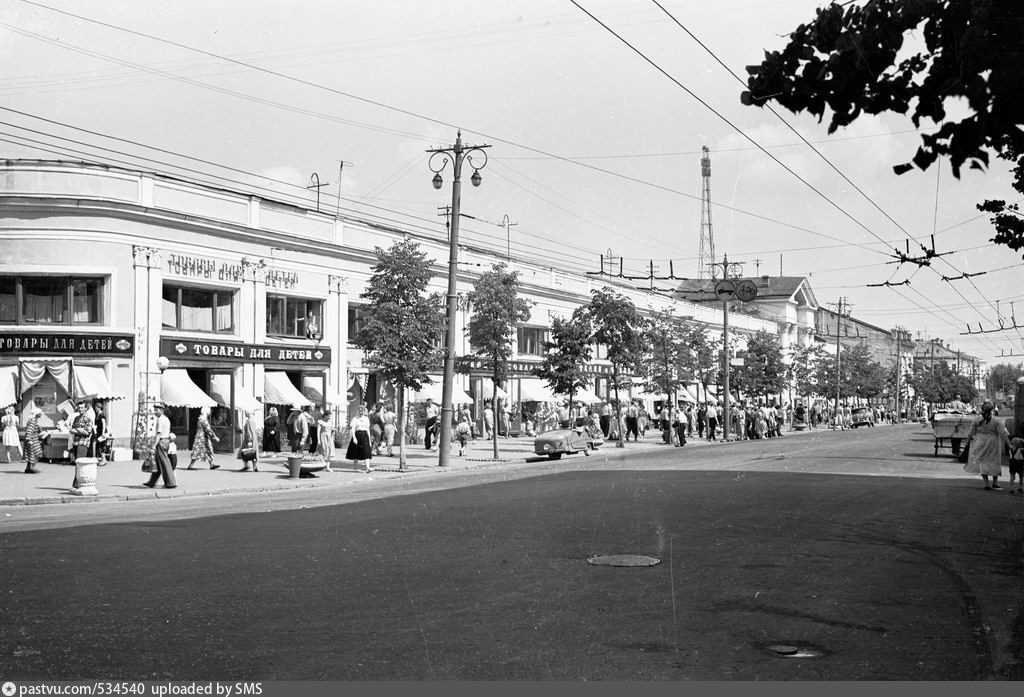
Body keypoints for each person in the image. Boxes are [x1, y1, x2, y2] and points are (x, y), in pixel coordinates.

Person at [963, 401, 1012, 490]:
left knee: (982, 462)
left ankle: (986, 483)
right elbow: (1003, 434)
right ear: (992, 410)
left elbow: (970, 434)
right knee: (994, 461)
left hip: (980, 441)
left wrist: (967, 444)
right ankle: (995, 482)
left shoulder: (977, 419)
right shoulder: (996, 420)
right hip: (994, 443)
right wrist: (1010, 445)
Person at [144, 402, 177, 489]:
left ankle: (170, 483)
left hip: (161, 441)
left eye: (157, 410)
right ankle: (152, 482)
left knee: (164, 462)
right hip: (166, 441)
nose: (155, 411)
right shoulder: (166, 419)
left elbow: (159, 434)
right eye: (154, 409)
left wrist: (154, 445)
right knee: (159, 463)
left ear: (162, 410)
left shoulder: (161, 420)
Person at [69, 400, 94, 489]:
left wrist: (77, 430)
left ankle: (77, 484)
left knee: (80, 463)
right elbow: (71, 430)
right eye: (79, 408)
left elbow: (87, 432)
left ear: (85, 408)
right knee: (76, 463)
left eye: (82, 408)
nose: (80, 409)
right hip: (76, 442)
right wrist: (80, 430)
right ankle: (77, 483)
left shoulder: (88, 419)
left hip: (83, 443)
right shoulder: (76, 418)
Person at [188, 405, 220, 470]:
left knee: (203, 450)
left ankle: (211, 464)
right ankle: (191, 465)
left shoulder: (200, 419)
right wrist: (215, 437)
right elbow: (208, 429)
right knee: (201, 450)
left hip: (200, 437)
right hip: (202, 438)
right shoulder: (203, 420)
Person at [345, 405, 373, 472]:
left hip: (365, 435)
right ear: (358, 411)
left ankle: (368, 467)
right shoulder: (355, 419)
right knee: (356, 451)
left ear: (364, 411)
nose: (361, 412)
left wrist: (369, 440)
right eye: (360, 410)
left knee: (366, 451)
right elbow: (353, 429)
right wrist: (354, 438)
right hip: (357, 435)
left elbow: (367, 429)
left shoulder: (366, 419)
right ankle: (355, 467)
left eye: (362, 411)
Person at [23, 404, 42, 474]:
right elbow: (30, 430)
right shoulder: (33, 421)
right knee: (37, 453)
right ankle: (32, 467)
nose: (41, 415)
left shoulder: (33, 420)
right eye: (40, 413)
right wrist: (29, 439)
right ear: (37, 414)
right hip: (32, 440)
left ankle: (28, 468)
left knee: (30, 454)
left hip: (32, 439)